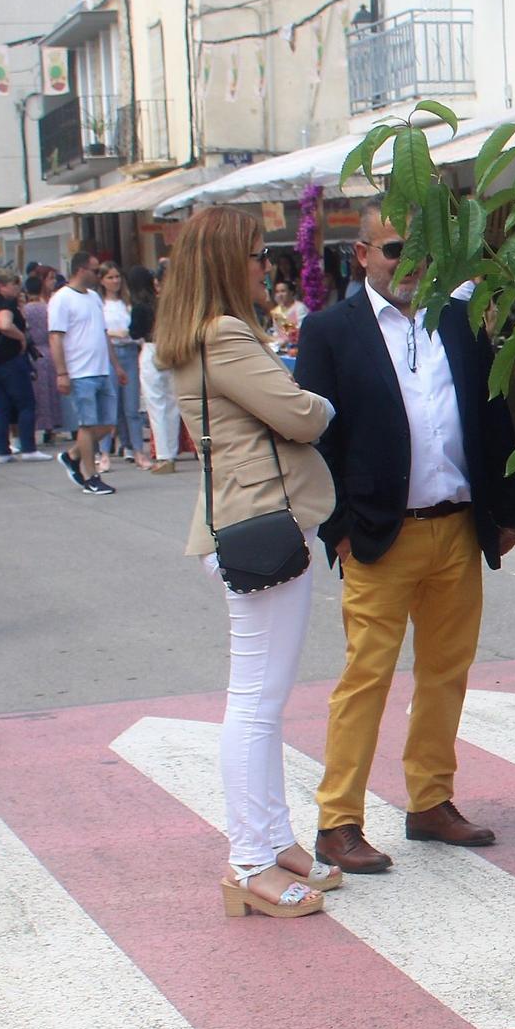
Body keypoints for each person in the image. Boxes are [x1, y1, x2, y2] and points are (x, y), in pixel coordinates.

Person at [297, 202, 515, 875]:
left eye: (422, 247)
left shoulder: (457, 320)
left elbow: (490, 417)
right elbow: (316, 439)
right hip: (378, 534)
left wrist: (505, 512)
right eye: (395, 248)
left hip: (456, 526)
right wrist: (336, 529)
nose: (410, 262)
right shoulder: (329, 331)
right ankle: (337, 820)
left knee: (446, 674)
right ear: (362, 253)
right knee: (365, 676)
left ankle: (430, 801)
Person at [155, 205, 340, 918]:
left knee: (262, 699)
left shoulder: (192, 336)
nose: (268, 265)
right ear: (227, 264)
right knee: (256, 703)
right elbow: (299, 415)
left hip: (239, 521)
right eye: (257, 255)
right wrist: (319, 400)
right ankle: (250, 860)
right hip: (260, 524)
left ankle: (273, 838)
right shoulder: (225, 334)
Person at [48, 251, 127, 494]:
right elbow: (56, 337)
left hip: (101, 369)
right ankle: (89, 474)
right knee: (87, 423)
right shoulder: (62, 299)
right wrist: (62, 373)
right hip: (80, 372)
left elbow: (102, 333)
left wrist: (115, 365)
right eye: (95, 270)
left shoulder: (93, 297)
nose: (98, 275)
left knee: (107, 424)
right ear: (81, 270)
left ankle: (73, 455)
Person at [0, 267, 47, 462]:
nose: (18, 288)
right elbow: (4, 325)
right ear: (2, 286)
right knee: (26, 403)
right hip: (9, 360)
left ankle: (3, 451)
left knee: (1, 406)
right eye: (14, 284)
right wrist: (21, 338)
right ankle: (28, 448)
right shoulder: (4, 304)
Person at [99, 262, 149, 470]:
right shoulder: (100, 304)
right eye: (110, 277)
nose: (115, 281)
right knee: (110, 407)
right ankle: (104, 452)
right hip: (108, 354)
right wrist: (112, 333)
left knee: (131, 407)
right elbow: (99, 330)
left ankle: (138, 450)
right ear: (102, 280)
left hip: (129, 351)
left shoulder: (128, 303)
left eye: (117, 277)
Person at [130, 265, 178, 473]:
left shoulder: (140, 306)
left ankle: (163, 455)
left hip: (151, 350)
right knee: (173, 403)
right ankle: (172, 452)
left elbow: (134, 332)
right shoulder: (166, 304)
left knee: (155, 404)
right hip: (170, 349)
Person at [23, 272, 61, 451]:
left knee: (36, 394)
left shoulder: (25, 310)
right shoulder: (48, 308)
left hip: (33, 353)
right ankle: (51, 428)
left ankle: (33, 428)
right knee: (51, 392)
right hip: (50, 351)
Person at [268, 280, 306, 352]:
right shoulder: (277, 311)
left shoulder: (300, 307)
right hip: (280, 348)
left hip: (297, 347)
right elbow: (276, 331)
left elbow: (301, 330)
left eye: (283, 291)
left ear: (291, 292)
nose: (280, 295)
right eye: (277, 292)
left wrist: (286, 341)